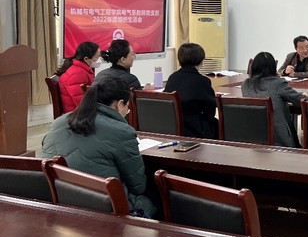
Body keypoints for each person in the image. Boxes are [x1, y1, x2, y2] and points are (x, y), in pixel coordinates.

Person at [40, 76, 156, 216]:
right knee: (156, 199)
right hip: (104, 207)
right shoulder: (122, 132)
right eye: (127, 106)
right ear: (119, 104)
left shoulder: (58, 122)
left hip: (57, 201)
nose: (127, 111)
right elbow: (138, 186)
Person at [242, 51, 308, 147]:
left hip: (253, 136)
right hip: (278, 139)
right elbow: (300, 101)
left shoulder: (246, 84)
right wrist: (305, 95)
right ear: (273, 67)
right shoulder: (278, 83)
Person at [164, 43, 218, 139]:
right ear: (201, 60)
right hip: (196, 130)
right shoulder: (202, 81)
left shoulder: (172, 77)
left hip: (172, 127)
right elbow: (210, 110)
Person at [57, 41, 101, 114]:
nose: (99, 60)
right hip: (77, 114)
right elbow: (81, 101)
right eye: (97, 57)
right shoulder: (77, 74)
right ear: (86, 59)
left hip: (80, 110)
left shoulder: (82, 69)